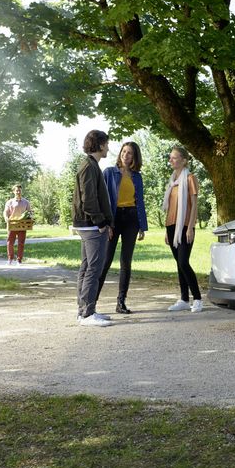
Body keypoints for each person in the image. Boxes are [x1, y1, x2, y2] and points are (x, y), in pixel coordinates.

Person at [72, 129, 115, 328]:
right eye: (106, 144)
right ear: (99, 144)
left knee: (87, 267)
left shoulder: (91, 165)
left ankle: (84, 311)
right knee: (93, 269)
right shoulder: (89, 166)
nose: (108, 148)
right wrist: (101, 222)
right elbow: (88, 199)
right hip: (91, 226)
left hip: (88, 225)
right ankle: (87, 314)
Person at [98, 141, 147, 314]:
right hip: (114, 218)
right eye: (124, 151)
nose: (126, 155)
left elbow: (140, 201)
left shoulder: (137, 177)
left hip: (131, 219)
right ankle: (91, 302)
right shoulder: (109, 172)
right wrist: (106, 223)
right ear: (120, 153)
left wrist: (142, 226)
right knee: (105, 261)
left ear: (135, 157)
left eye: (130, 153)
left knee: (126, 262)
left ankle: (121, 302)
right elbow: (103, 199)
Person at [162, 144, 202, 312]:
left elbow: (194, 205)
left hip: (185, 226)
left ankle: (197, 299)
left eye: (174, 157)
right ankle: (184, 299)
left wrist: (191, 227)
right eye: (170, 157)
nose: (170, 160)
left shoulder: (190, 178)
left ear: (184, 161)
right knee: (179, 263)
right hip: (171, 226)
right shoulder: (172, 181)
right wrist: (166, 230)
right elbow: (170, 207)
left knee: (184, 262)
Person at [3, 184, 31, 265]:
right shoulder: (10, 202)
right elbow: (5, 212)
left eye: (19, 190)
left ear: (21, 191)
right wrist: (6, 218)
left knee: (21, 243)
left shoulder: (26, 202)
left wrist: (30, 218)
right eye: (17, 190)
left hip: (22, 225)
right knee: (10, 242)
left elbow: (29, 212)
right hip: (12, 224)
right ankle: (10, 259)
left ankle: (19, 260)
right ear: (13, 191)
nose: (18, 192)